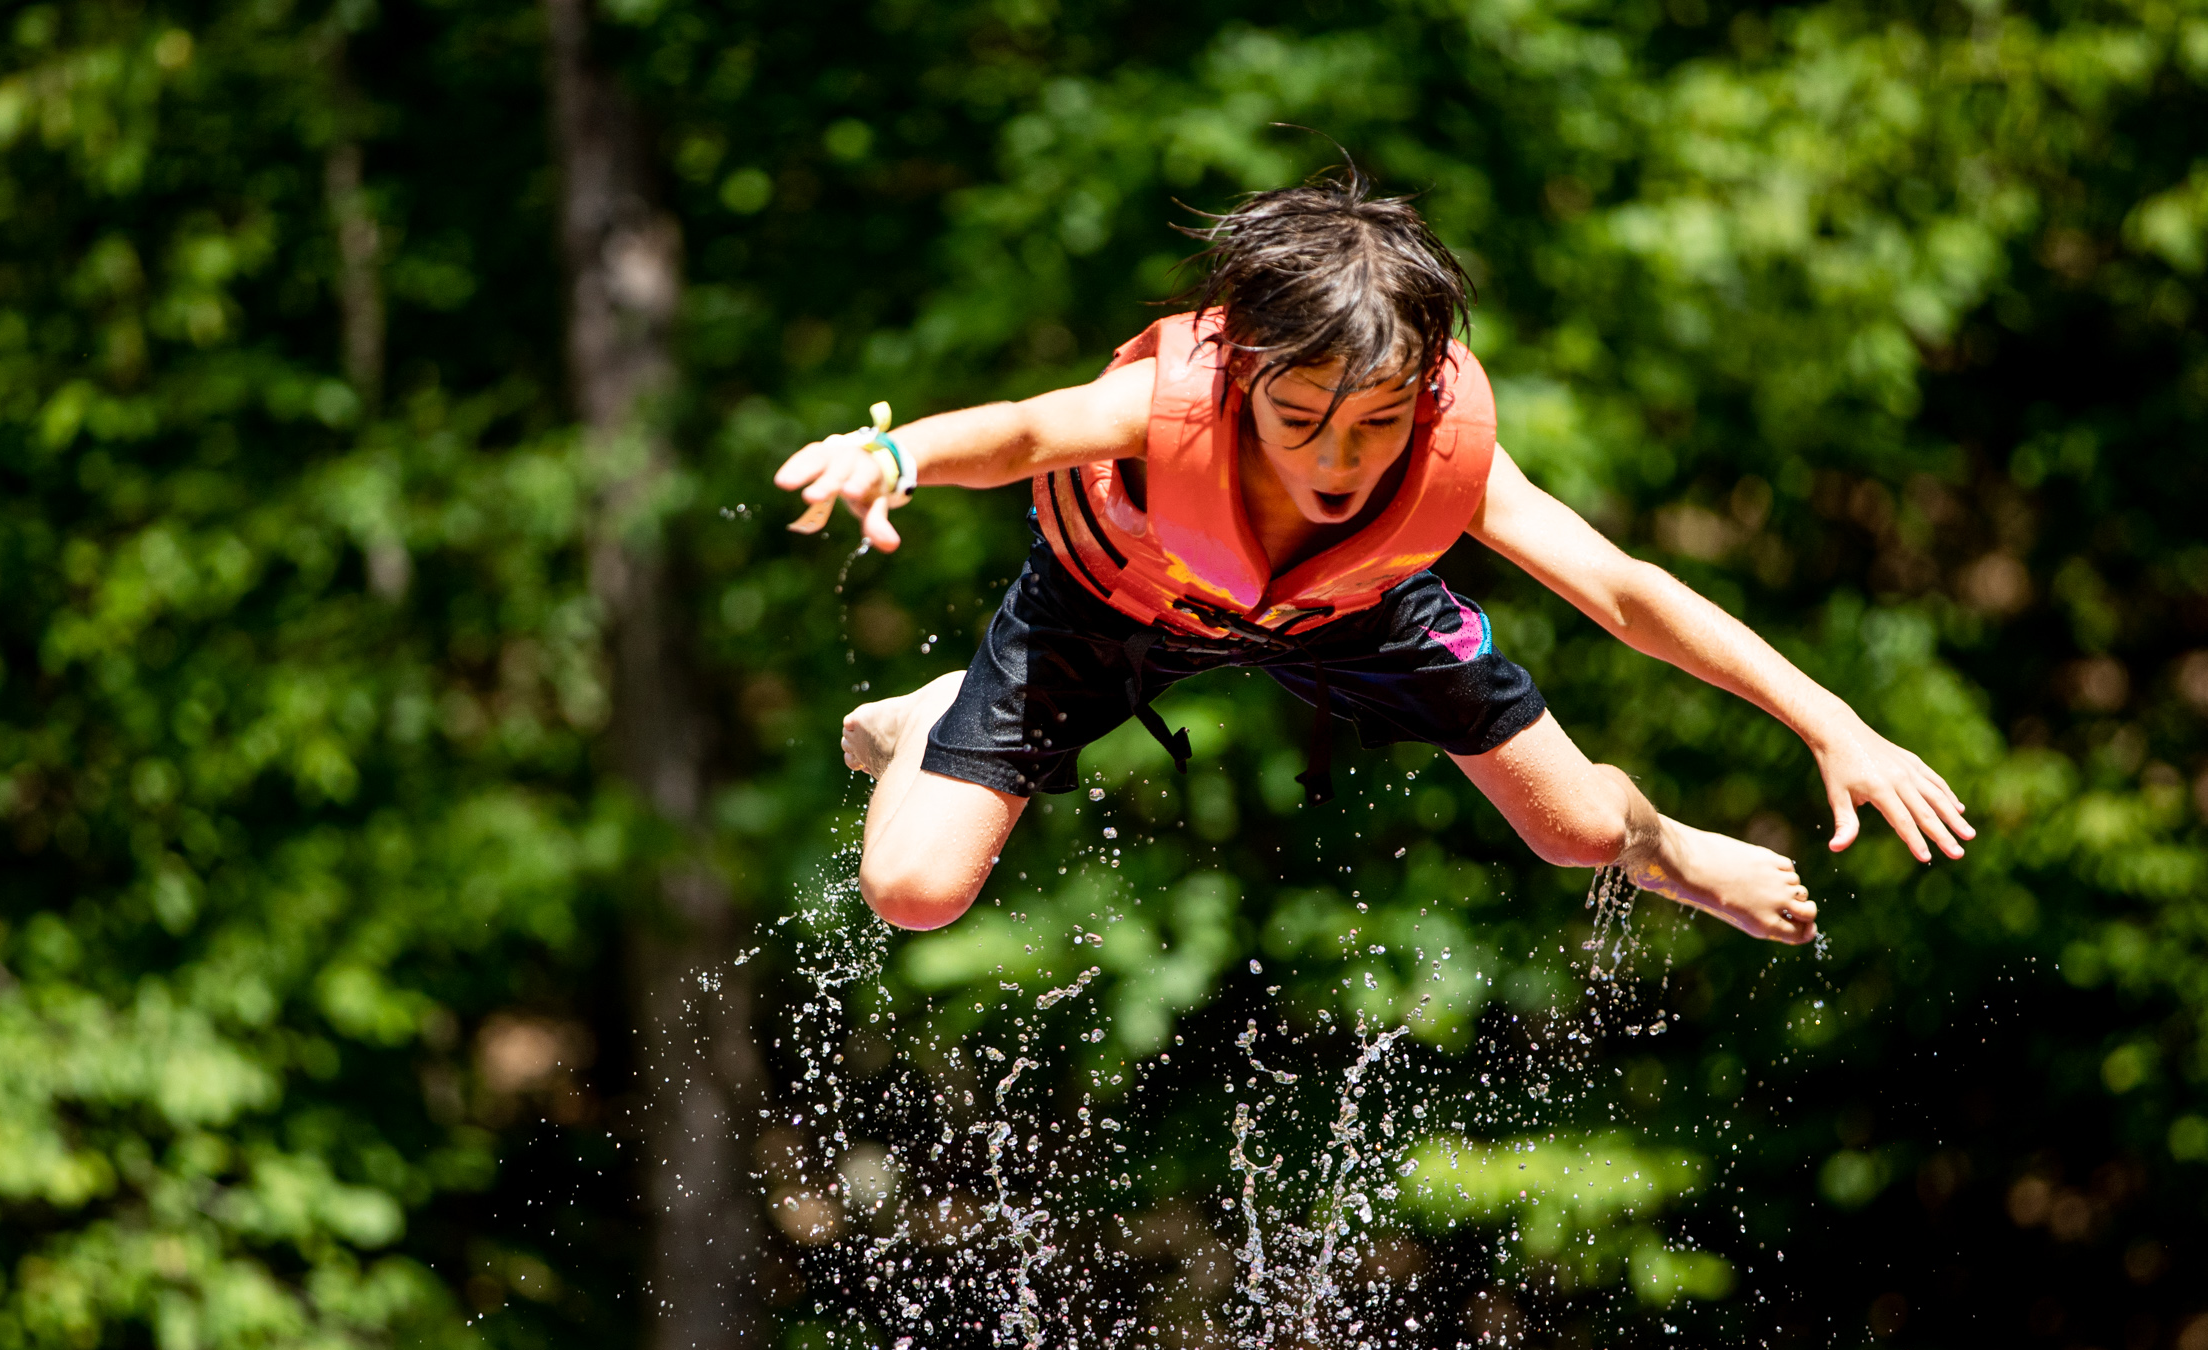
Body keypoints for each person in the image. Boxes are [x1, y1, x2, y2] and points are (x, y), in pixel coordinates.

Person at [773, 169, 1972, 942]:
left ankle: (1668, 851)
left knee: (1575, 831)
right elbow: (1024, 432)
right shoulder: (1166, 404)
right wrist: (892, 457)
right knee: (914, 895)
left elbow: (1624, 590)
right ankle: (929, 729)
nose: (1339, 460)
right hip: (1108, 602)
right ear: (1241, 380)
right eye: (1299, 422)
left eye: (1377, 425)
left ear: (1423, 393)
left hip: (1350, 610)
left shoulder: (1450, 456)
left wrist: (1830, 723)